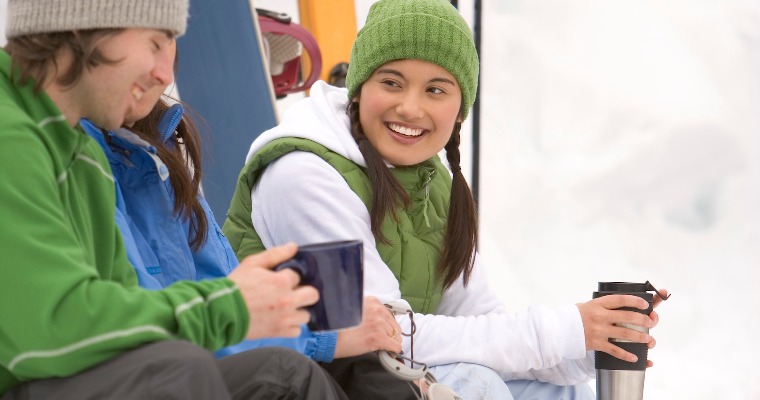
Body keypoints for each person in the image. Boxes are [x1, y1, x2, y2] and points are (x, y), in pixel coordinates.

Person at [222, 0, 668, 399]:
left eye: (435, 90)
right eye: (392, 82)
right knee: (476, 385)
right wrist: (564, 330)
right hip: (309, 379)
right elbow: (384, 335)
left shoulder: (434, 185)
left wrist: (592, 343)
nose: (411, 109)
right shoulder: (302, 175)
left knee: (562, 393)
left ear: (459, 108)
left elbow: (483, 327)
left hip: (381, 377)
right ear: (359, 87)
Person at [0, 0, 347, 398]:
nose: (165, 74)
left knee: (280, 374)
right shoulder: (9, 136)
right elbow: (50, 329)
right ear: (83, 27)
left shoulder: (84, 158)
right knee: (175, 372)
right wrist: (228, 306)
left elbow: (128, 321)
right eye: (155, 42)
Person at [78, 49, 415, 399]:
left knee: (369, 370)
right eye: (148, 43)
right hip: (149, 374)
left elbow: (216, 284)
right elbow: (153, 330)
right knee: (288, 374)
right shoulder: (82, 166)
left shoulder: (153, 150)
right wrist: (323, 337)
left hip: (201, 355)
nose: (164, 73)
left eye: (169, 41)